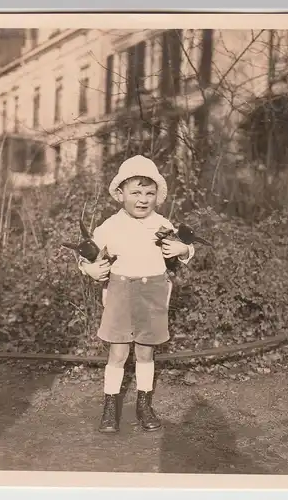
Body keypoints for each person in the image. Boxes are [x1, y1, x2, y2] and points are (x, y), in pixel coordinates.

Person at [78, 155, 195, 433]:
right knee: (117, 352)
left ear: (157, 196)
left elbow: (187, 246)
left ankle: (144, 404)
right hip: (120, 292)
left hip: (153, 292)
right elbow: (85, 253)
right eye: (135, 192)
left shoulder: (163, 224)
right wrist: (90, 269)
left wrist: (184, 250)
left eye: (149, 193)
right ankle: (109, 406)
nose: (142, 199)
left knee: (145, 352)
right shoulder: (109, 226)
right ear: (120, 194)